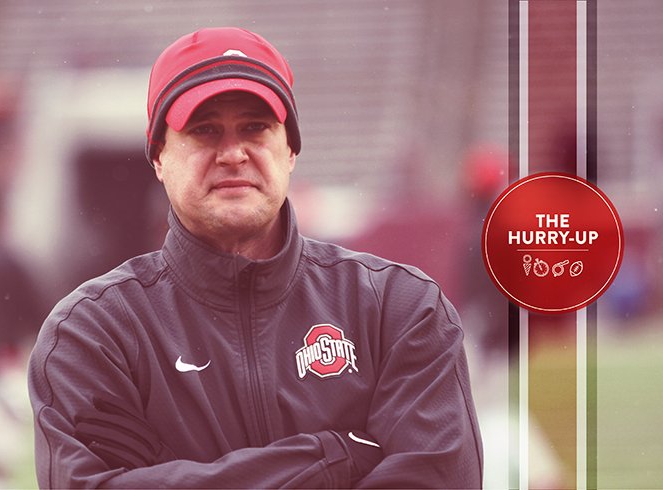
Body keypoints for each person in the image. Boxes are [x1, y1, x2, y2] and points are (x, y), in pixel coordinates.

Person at [28, 27, 483, 488]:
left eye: (255, 126)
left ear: (290, 150)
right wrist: (332, 456)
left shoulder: (400, 309)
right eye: (204, 130)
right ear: (158, 157)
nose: (232, 153)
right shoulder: (94, 334)